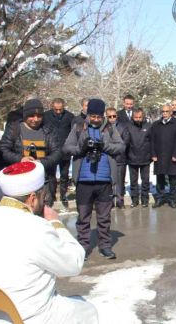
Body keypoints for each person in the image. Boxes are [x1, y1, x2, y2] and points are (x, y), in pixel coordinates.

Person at [0, 161, 98, 323]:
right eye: (43, 195)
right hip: (29, 317)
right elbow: (74, 264)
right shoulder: (37, 227)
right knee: (88, 311)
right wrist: (55, 223)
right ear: (33, 198)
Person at [64, 99, 125, 260]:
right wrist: (82, 147)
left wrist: (105, 146)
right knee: (83, 216)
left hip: (104, 180)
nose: (96, 119)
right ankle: (83, 246)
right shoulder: (78, 127)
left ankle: (105, 245)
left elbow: (121, 146)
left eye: (99, 116)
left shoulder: (109, 128)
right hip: (84, 180)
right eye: (93, 116)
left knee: (104, 217)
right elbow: (67, 147)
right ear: (88, 114)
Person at [0, 99, 61, 207]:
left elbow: (57, 153)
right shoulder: (14, 129)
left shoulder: (49, 130)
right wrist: (20, 159)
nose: (35, 119)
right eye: (31, 116)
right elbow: (4, 150)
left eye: (39, 116)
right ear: (25, 115)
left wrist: (41, 162)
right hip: (19, 182)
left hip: (44, 182)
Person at [150, 103, 176, 208]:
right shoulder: (156, 124)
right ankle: (160, 198)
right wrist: (153, 154)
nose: (164, 114)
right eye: (163, 111)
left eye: (166, 111)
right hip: (159, 156)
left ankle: (172, 199)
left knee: (173, 178)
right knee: (160, 178)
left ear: (171, 112)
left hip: (172, 156)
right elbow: (152, 141)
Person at [42, 98, 75, 207]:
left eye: (60, 109)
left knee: (64, 174)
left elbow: (73, 132)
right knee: (51, 174)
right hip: (51, 150)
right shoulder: (46, 116)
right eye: (56, 109)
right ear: (52, 106)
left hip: (65, 149)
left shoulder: (70, 116)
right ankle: (52, 194)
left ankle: (63, 194)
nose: (58, 112)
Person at [124, 108, 152, 208]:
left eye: (140, 117)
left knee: (145, 181)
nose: (138, 119)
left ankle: (145, 200)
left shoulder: (148, 126)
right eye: (136, 117)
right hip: (132, 158)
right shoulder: (128, 126)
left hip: (145, 158)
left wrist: (151, 156)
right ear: (133, 117)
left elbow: (152, 142)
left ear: (143, 116)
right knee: (133, 181)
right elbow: (126, 142)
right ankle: (134, 200)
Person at [105, 107, 129, 208]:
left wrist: (113, 147)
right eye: (109, 116)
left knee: (120, 181)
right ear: (106, 117)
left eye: (114, 116)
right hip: (107, 158)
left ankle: (120, 200)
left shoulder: (123, 127)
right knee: (108, 181)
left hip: (120, 158)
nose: (112, 118)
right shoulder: (103, 128)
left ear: (117, 116)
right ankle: (109, 201)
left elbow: (125, 142)